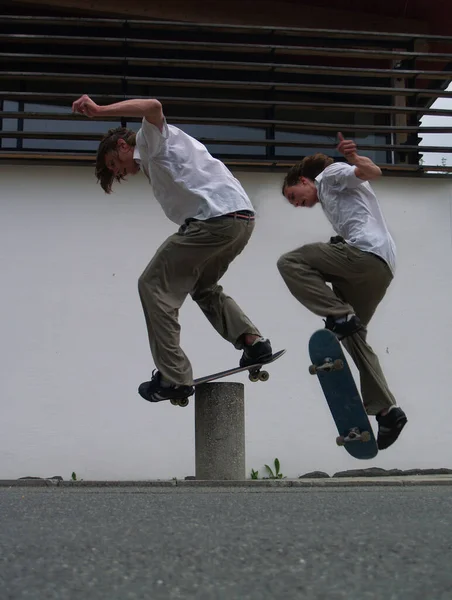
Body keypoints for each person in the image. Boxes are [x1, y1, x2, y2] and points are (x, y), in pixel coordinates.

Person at [72, 94, 272, 403]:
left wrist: (100, 111)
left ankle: (174, 376)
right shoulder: (155, 156)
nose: (119, 171)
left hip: (214, 221)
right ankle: (252, 341)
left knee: (152, 284)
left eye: (115, 163)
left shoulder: (149, 139)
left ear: (123, 146)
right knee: (203, 286)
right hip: (240, 221)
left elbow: (153, 106)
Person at [277, 133, 407, 450]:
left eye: (293, 195)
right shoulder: (332, 196)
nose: (297, 204)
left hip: (365, 257)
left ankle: (339, 313)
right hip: (380, 271)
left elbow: (371, 173)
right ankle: (388, 411)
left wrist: (353, 159)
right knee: (352, 337)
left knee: (290, 262)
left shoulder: (330, 176)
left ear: (304, 179)